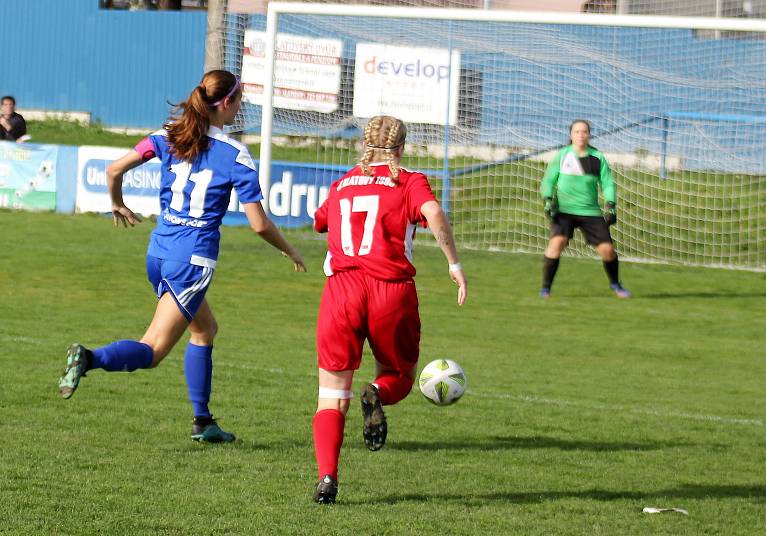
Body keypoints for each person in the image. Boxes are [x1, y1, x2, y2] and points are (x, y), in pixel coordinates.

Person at [57, 70, 307, 442]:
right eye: (240, 100)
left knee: (205, 329)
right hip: (191, 262)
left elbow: (113, 169)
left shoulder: (168, 135)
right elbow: (258, 224)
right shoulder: (235, 155)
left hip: (158, 252)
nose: (241, 108)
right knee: (153, 350)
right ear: (225, 103)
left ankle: (203, 422)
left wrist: (117, 203)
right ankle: (88, 358)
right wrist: (290, 249)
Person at [310, 115, 468, 504]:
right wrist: (454, 264)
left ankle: (327, 479)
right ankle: (376, 392)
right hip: (390, 290)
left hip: (341, 291)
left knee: (330, 396)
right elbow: (432, 213)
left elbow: (319, 221)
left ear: (365, 144)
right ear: (401, 147)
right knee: (398, 376)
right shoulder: (410, 180)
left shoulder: (343, 182)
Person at [539, 119, 630, 299]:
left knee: (607, 251)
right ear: (571, 135)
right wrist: (548, 201)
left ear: (589, 135)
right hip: (564, 211)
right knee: (556, 244)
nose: (581, 135)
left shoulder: (597, 157)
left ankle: (615, 284)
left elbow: (608, 184)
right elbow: (548, 181)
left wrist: (611, 205)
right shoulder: (562, 155)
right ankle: (546, 288)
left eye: (584, 132)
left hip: (590, 212)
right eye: (577, 132)